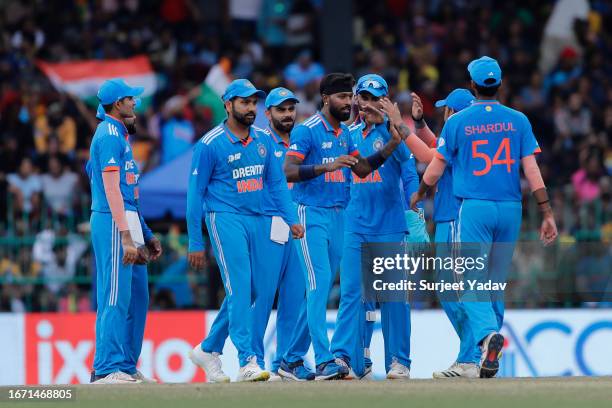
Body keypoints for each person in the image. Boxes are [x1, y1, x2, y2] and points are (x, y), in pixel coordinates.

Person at [410, 57, 558, 378]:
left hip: (474, 207)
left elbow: (434, 168)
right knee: (494, 282)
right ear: (499, 84)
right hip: (511, 207)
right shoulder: (518, 120)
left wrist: (419, 193)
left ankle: (486, 337)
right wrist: (546, 211)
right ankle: (485, 351)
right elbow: (531, 168)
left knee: (466, 279)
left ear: (473, 85)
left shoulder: (458, 122)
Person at [283, 73, 403, 380]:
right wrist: (327, 166)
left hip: (339, 215)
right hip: (310, 213)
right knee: (320, 284)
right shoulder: (306, 131)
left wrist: (391, 143)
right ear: (326, 98)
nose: (348, 103)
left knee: (318, 288)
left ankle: (291, 360)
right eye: (342, 97)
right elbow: (288, 171)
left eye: (350, 97)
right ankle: (324, 360)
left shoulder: (345, 135)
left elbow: (362, 169)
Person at [189, 87, 314, 382]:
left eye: (253, 102)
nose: (250, 108)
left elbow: (277, 184)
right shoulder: (209, 144)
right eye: (244, 102)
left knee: (255, 288)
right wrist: (195, 240)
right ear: (227, 104)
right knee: (241, 286)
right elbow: (194, 196)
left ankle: (208, 348)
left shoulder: (261, 140)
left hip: (257, 218)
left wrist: (291, 218)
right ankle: (248, 361)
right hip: (225, 217)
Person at [390, 88, 482, 378]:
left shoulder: (460, 135)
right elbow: (438, 147)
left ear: (453, 113)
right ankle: (471, 354)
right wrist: (420, 125)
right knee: (451, 290)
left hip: (455, 219)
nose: (443, 113)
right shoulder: (467, 136)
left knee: (454, 290)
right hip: (452, 218)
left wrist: (402, 128)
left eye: (445, 109)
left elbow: (430, 156)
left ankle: (471, 356)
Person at [331, 74, 413, 380]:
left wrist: (396, 123)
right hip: (355, 224)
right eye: (363, 98)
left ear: (385, 103)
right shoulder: (347, 135)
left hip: (390, 226)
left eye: (374, 99)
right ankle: (341, 358)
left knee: (394, 298)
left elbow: (409, 162)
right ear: (355, 100)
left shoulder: (396, 133)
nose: (367, 105)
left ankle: (398, 362)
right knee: (351, 293)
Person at [88, 78, 162, 384]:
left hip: (127, 220)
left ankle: (126, 365)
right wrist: (127, 236)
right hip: (111, 221)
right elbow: (110, 191)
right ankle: (105, 367)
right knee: (115, 295)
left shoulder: (121, 137)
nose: (136, 104)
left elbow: (128, 193)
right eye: (132, 99)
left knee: (137, 298)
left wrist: (145, 232)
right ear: (118, 104)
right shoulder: (107, 135)